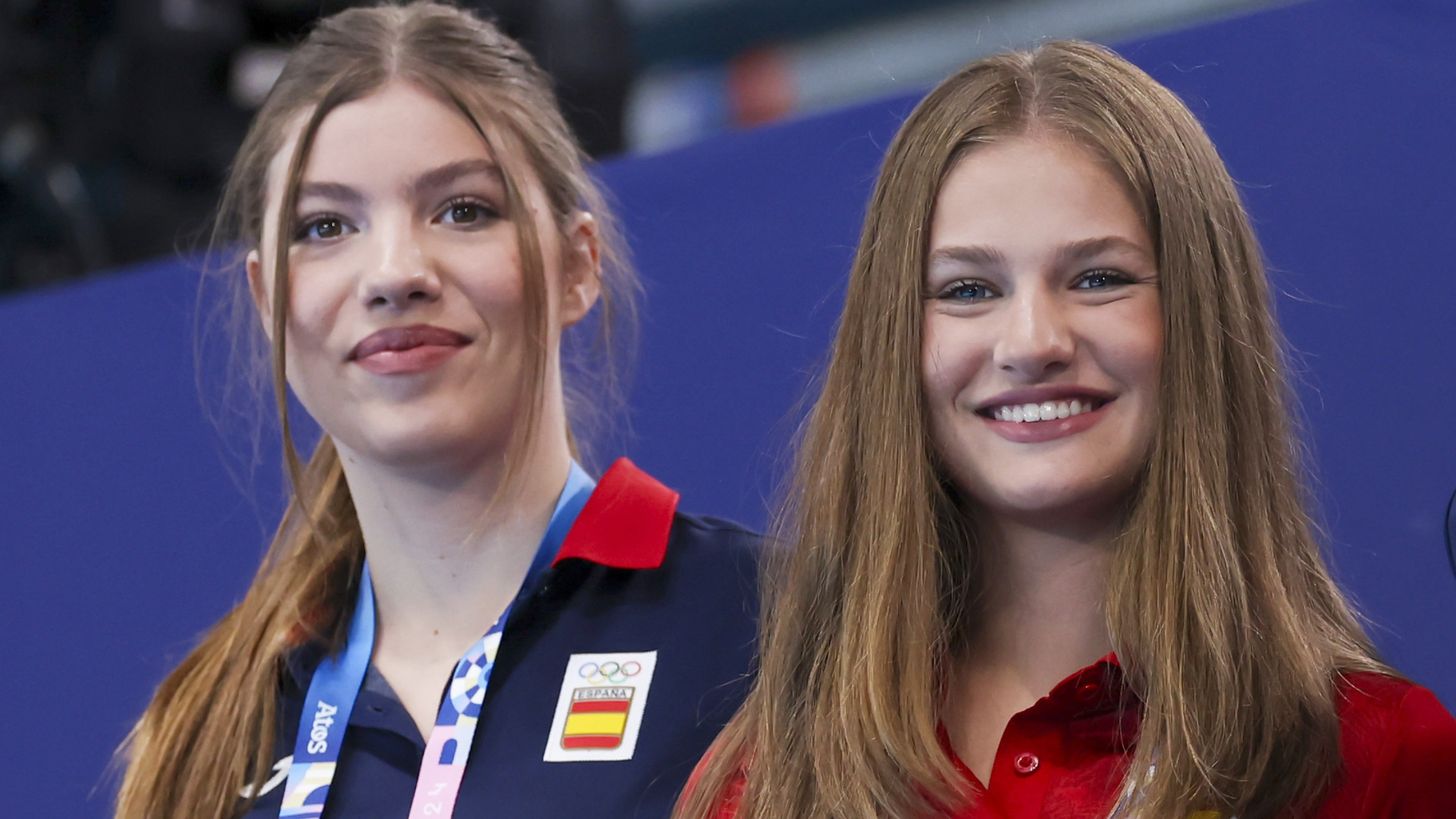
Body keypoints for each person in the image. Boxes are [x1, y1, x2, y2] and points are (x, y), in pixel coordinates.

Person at [676, 40, 1456, 819]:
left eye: (1098, 278)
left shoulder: (1377, 756)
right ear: (893, 344)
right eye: (969, 289)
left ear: (1198, 315)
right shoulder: (764, 784)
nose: (1032, 342)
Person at [115, 4, 758, 817]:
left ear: (575, 265)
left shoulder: (772, 621)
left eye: (462, 210)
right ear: (268, 300)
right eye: (324, 226)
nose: (393, 272)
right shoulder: (206, 729)